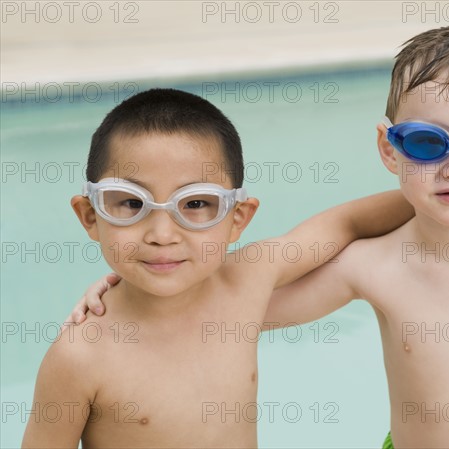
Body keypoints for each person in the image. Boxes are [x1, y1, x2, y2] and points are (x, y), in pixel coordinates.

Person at [62, 25, 449, 447]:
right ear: (390, 148)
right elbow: (225, 309)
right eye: (427, 143)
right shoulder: (368, 267)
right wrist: (133, 291)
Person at [22, 88, 420, 447]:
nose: (162, 234)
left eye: (195, 204)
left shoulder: (244, 282)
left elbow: (344, 224)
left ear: (238, 219)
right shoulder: (81, 356)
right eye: (130, 203)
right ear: (90, 216)